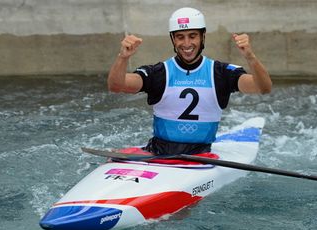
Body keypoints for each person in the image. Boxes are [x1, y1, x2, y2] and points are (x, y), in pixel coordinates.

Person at [107, 7, 272, 155]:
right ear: (173, 39)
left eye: (192, 36)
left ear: (203, 37)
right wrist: (123, 57)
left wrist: (250, 57)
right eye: (180, 37)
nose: (186, 43)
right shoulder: (159, 73)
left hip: (202, 155)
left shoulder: (221, 73)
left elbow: (262, 87)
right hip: (158, 152)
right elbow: (116, 86)